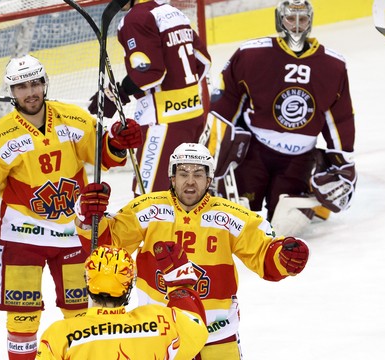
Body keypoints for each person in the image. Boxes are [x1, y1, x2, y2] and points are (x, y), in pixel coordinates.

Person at [0, 54, 142, 360]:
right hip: (22, 237)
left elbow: (105, 154)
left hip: (72, 235)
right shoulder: (0, 135)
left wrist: (118, 142)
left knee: (81, 318)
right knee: (22, 321)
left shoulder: (74, 119)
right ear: (12, 93)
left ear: (45, 84)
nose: (30, 92)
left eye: (35, 83)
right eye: (21, 86)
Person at [74, 143, 310, 359]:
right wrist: (88, 218)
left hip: (216, 333)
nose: (190, 181)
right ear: (172, 178)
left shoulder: (229, 216)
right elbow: (108, 248)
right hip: (159, 334)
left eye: (198, 174)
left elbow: (263, 251)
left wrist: (283, 258)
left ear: (209, 180)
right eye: (183, 174)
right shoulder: (148, 208)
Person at [209, 0, 357, 235]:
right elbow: (227, 100)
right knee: (235, 219)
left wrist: (343, 166)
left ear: (311, 21)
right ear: (280, 20)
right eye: (291, 19)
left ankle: (312, 198)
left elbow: (339, 119)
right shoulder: (252, 54)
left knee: (287, 226)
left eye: (303, 19)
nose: (297, 26)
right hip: (254, 152)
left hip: (298, 158)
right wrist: (211, 155)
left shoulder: (333, 66)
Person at [88, 0, 212, 196]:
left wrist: (119, 93)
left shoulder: (136, 18)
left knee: (149, 200)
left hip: (163, 124)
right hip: (194, 117)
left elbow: (150, 72)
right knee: (185, 197)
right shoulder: (174, 13)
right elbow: (203, 61)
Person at [36, 244, 209, 359]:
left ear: (88, 282)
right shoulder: (161, 320)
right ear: (128, 286)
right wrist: (180, 285)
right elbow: (197, 328)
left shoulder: (60, 334)